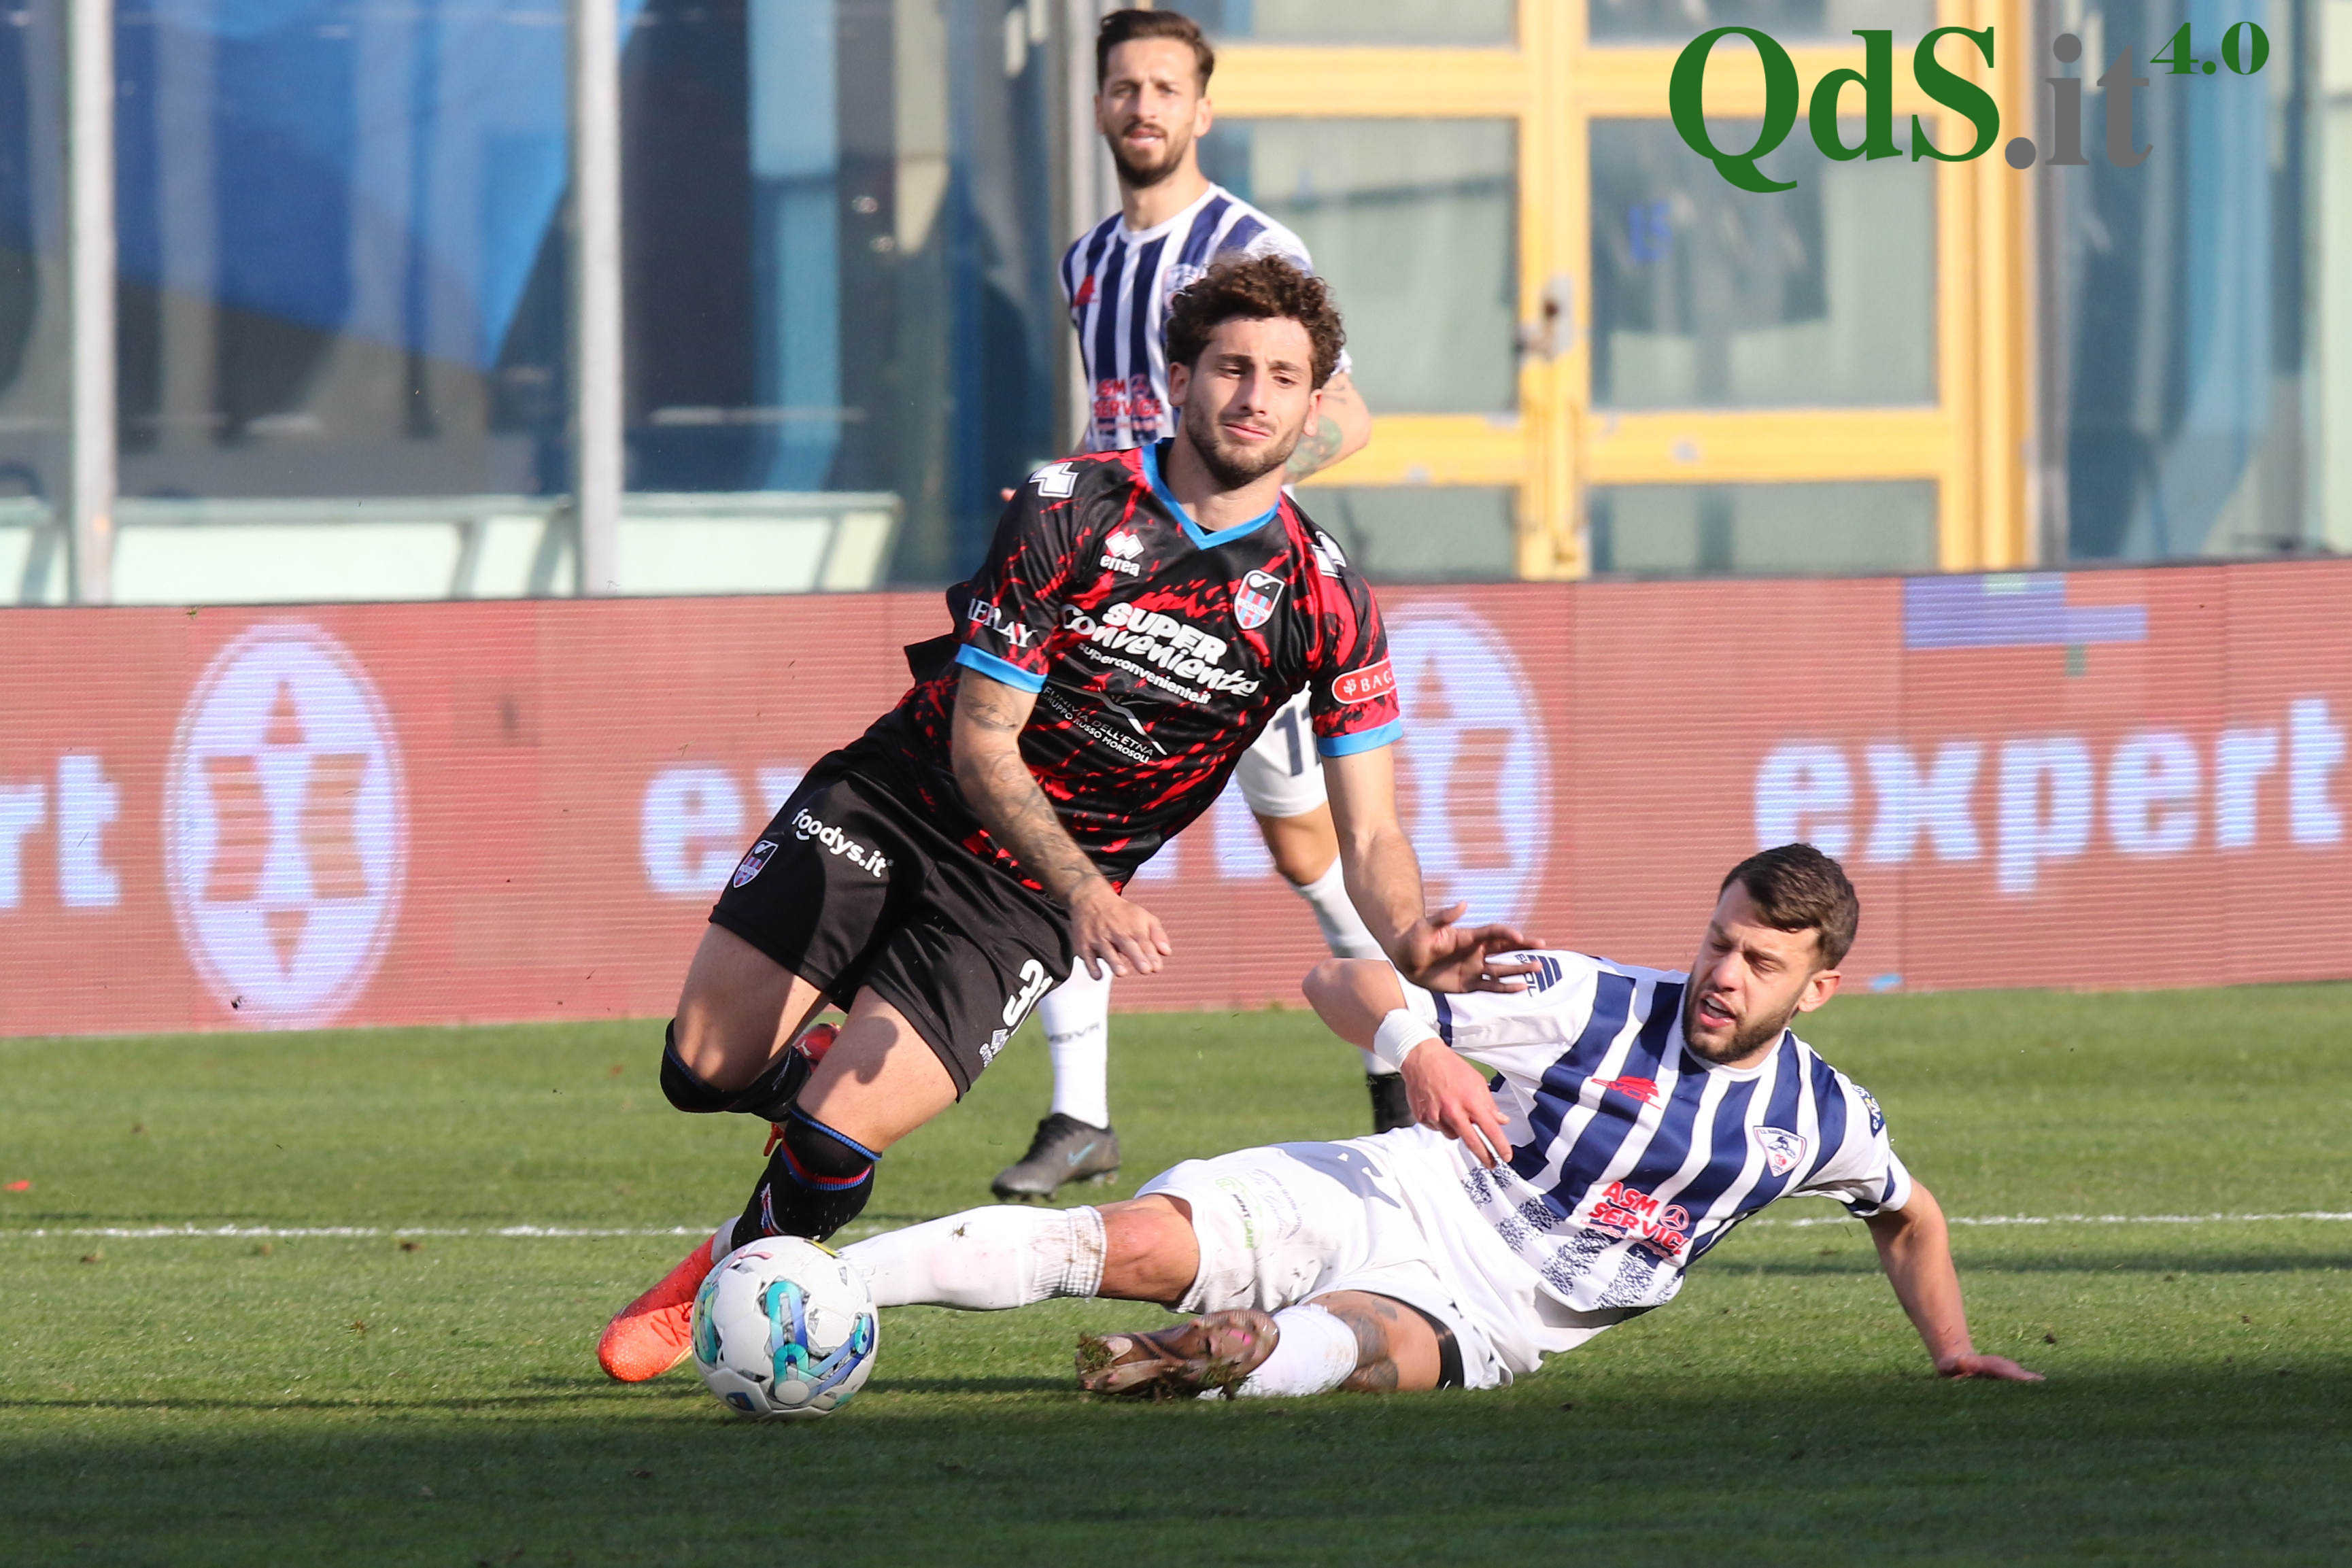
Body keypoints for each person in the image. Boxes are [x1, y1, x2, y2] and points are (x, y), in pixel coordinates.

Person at [596, 254, 1537, 1384]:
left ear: (1316, 402)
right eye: (1232, 367)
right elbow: (982, 738)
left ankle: (724, 1270)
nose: (1254, 395)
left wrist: (1413, 941)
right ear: (1180, 377)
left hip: (1018, 903)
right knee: (699, 1067)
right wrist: (1092, 887)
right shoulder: (1073, 507)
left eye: (1285, 376)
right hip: (900, 804)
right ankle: (799, 1072)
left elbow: (1373, 834)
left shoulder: (1327, 598)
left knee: (838, 1140)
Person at [835, 845, 2043, 1398]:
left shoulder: (1819, 1117)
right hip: (1393, 1183)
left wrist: (1949, 1347)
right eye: (1720, 938)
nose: (1726, 972)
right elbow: (1333, 982)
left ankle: (1225, 1357)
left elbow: (1908, 1215)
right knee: (1122, 1244)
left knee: (1349, 1352)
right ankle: (830, 1289)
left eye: (1762, 962)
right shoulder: (1583, 1000)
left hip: (1493, 1311)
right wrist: (1414, 1045)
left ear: (1817, 987)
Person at [993, 6, 1401, 1205]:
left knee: (1306, 848)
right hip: (1098, 604)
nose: (1143, 108)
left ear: (1203, 109)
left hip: (1234, 601)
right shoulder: (1086, 262)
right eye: (1123, 88)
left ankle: (1398, 1041)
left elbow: (1349, 415)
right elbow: (1116, 429)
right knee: (1061, 829)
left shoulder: (1250, 248)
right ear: (1101, 105)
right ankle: (1081, 1113)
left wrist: (1221, 518)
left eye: (1167, 88)